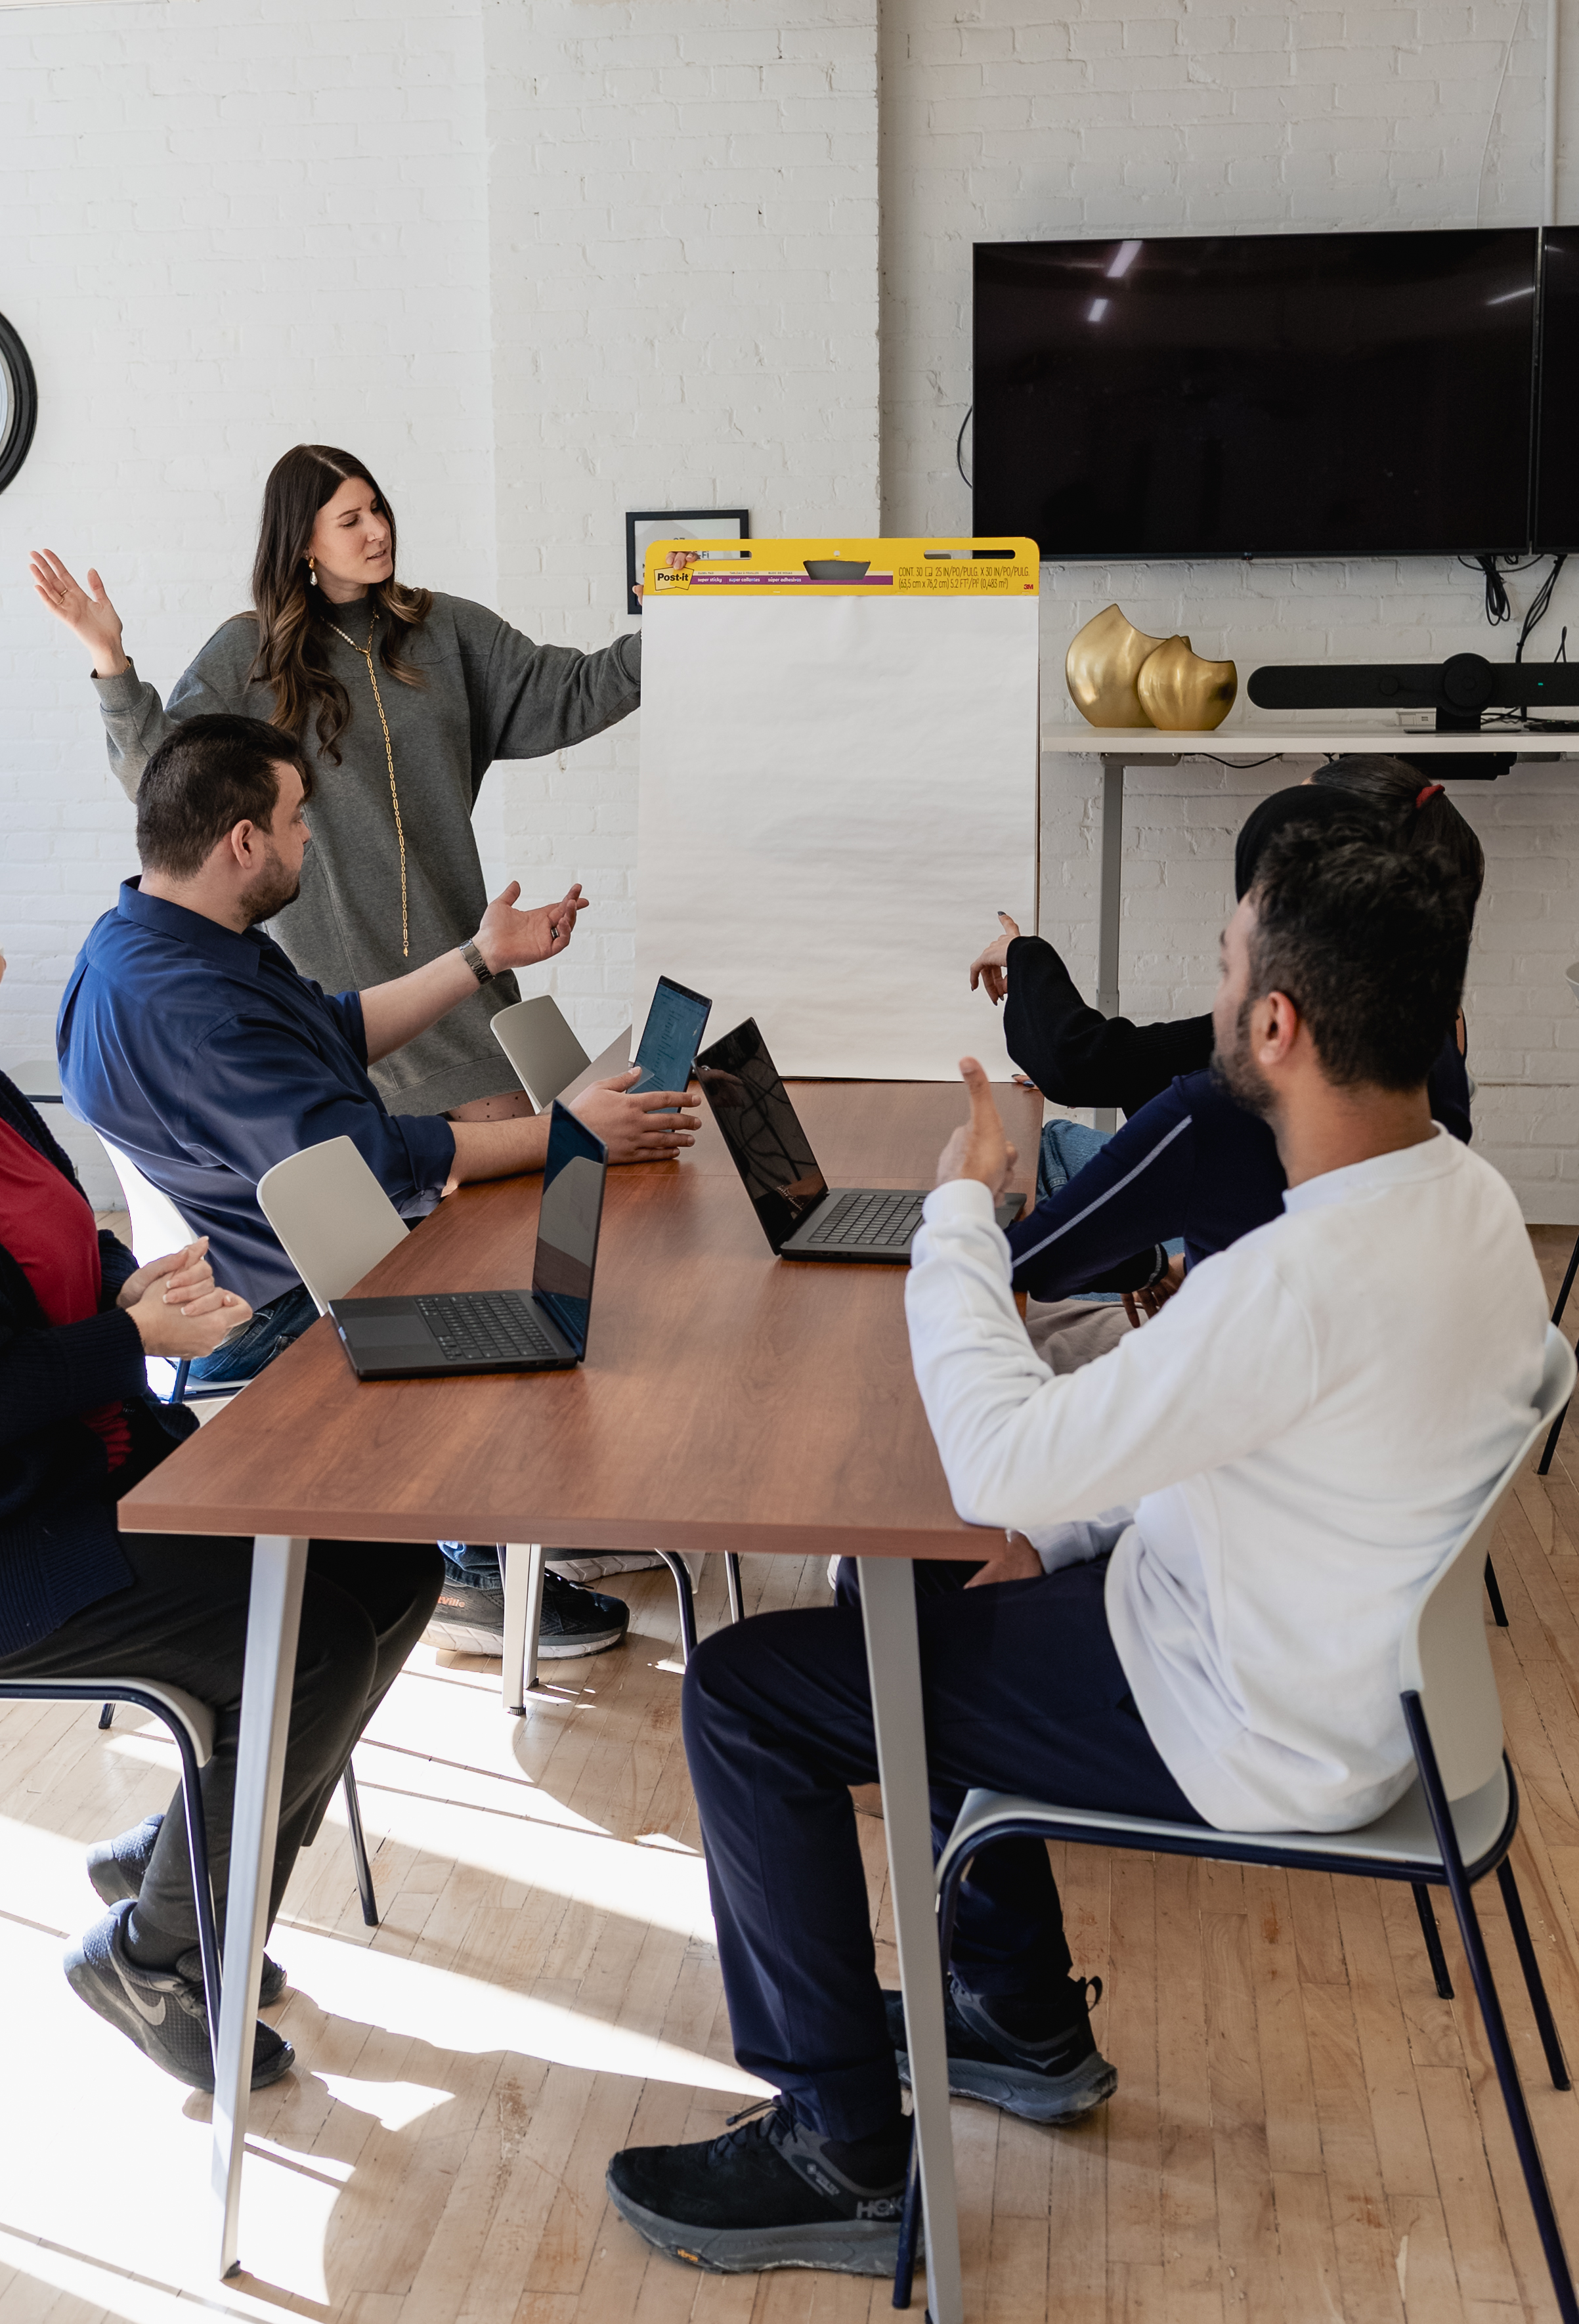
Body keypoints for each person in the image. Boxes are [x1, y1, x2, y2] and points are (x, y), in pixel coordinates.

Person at [603, 823, 1547, 2277]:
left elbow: (995, 1455)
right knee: (914, 1579)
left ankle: (840, 2149)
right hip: (1312, 1653)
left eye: (1225, 965)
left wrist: (964, 1206)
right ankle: (1018, 2007)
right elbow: (1229, 1455)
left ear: (1277, 1026)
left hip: (1245, 1714)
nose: (1214, 986)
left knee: (742, 1695)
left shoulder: (1300, 1278)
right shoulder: (1472, 1210)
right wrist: (1065, 1527)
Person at [0, 832, 442, 2094]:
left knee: (393, 1567)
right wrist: (127, 1336)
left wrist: (132, 1289)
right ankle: (157, 1952)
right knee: (308, 1644)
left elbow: (43, 1283)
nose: (4, 956)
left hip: (100, 1479)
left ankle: (176, 1859)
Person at [58, 712, 700, 1660]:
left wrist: (483, 958)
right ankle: (469, 1569)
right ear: (243, 843)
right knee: (527, 1265)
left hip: (293, 1246)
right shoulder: (190, 1011)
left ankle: (533, 1513)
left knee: (555, 1238)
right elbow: (368, 1162)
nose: (308, 834)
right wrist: (571, 1136)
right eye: (295, 818)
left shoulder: (169, 936)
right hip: (278, 1302)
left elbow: (333, 1029)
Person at [32, 442, 645, 1123]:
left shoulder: (445, 630)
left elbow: (576, 691)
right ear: (304, 544)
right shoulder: (250, 653)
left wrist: (678, 621)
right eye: (350, 519)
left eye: (377, 509)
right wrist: (108, 659)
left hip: (458, 972)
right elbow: (160, 778)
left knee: (521, 1188)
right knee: (415, 1216)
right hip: (336, 996)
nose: (378, 529)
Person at [1003, 773, 1488, 1306]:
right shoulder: (1473, 1179)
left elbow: (1028, 1265)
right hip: (1336, 1305)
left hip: (1224, 1324)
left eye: (1229, 967)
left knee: (1040, 1178)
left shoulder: (1212, 1107)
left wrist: (962, 1191)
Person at [971, 762, 1482, 1127]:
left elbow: (1085, 1065)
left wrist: (1024, 951)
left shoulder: (1298, 1023)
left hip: (1252, 1249)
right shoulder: (1431, 1009)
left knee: (1047, 1162)